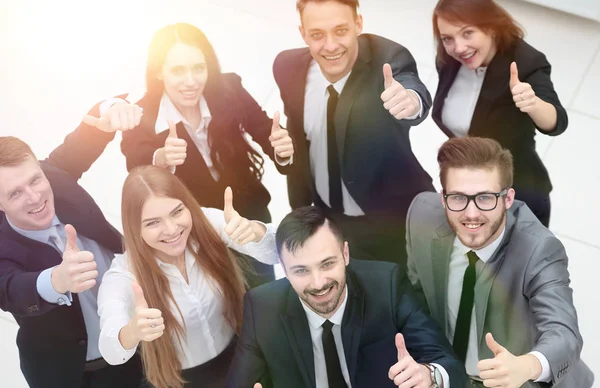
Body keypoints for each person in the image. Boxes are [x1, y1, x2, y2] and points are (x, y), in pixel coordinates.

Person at [82, 22, 294, 286]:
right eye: (178, 70)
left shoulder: (229, 89)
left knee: (265, 298)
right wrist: (160, 159)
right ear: (159, 71)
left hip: (247, 218)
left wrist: (282, 150)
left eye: (198, 68)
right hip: (194, 235)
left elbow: (267, 132)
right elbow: (137, 167)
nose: (191, 81)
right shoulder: (143, 115)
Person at [405, 137, 593, 387]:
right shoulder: (421, 216)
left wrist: (527, 366)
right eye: (458, 198)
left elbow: (564, 334)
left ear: (508, 199)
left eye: (485, 198)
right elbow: (418, 296)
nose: (471, 214)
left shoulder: (539, 250)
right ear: (443, 198)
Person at [226, 206, 467, 388]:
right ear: (283, 268)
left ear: (346, 254)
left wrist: (428, 375)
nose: (318, 283)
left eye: (327, 264)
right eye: (301, 270)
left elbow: (448, 364)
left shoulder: (387, 285)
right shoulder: (261, 308)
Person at [272, 0, 434, 269]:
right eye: (317, 35)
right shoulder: (287, 67)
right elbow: (299, 137)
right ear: (303, 34)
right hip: (327, 218)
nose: (331, 45)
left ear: (358, 25)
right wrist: (284, 155)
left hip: (390, 220)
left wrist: (411, 101)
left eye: (340, 30)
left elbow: (411, 87)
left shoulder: (389, 58)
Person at [97, 165, 279, 388]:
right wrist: (131, 333)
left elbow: (278, 253)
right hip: (178, 381)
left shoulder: (207, 223)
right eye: (153, 223)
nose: (172, 229)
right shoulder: (123, 275)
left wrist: (254, 232)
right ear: (134, 228)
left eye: (176, 212)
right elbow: (109, 348)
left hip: (240, 359)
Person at [0, 136, 143, 387]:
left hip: (139, 344)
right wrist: (55, 281)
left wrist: (110, 109)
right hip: (77, 373)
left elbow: (86, 137)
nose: (34, 197)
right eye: (15, 193)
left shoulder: (56, 175)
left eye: (35, 179)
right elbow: (9, 290)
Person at [431, 0, 567, 227]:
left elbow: (558, 121)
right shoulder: (449, 60)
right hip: (468, 185)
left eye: (468, 33)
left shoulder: (526, 62)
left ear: (491, 26)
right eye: (448, 39)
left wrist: (533, 103)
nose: (459, 47)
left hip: (518, 190)